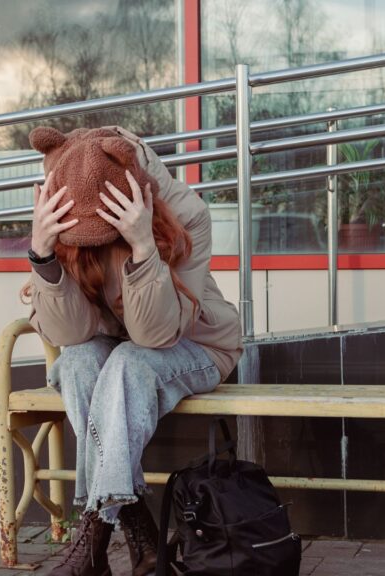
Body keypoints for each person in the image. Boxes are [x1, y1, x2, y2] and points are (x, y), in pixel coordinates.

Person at [21, 125, 242, 576]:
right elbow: (72, 332)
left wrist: (143, 246)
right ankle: (139, 532)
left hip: (195, 342)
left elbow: (154, 335)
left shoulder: (187, 215)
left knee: (124, 363)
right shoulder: (70, 204)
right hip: (119, 345)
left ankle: (93, 535)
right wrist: (43, 255)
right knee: (79, 363)